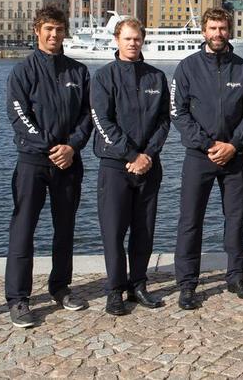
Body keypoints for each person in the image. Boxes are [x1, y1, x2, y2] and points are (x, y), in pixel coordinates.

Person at [3, 6, 93, 327]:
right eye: (48, 30)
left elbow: (87, 116)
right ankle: (18, 298)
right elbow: (18, 115)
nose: (54, 35)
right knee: (23, 229)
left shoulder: (78, 72)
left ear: (65, 32)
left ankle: (61, 287)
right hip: (32, 161)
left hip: (69, 161)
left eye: (59, 30)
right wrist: (48, 147)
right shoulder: (23, 72)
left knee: (64, 228)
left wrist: (71, 147)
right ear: (37, 31)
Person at [171, 7, 243, 310]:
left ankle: (236, 276)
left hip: (235, 156)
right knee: (190, 221)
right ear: (204, 31)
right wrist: (208, 144)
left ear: (229, 30)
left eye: (222, 28)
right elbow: (178, 113)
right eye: (212, 28)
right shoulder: (187, 67)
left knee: (235, 220)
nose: (217, 34)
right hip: (199, 156)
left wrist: (233, 145)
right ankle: (187, 283)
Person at [90, 18, 170, 316]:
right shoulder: (104, 77)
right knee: (113, 231)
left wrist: (147, 154)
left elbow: (164, 121)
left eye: (137, 39)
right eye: (128, 39)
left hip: (149, 165)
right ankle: (114, 290)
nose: (133, 43)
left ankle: (138, 284)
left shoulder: (156, 78)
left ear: (143, 40)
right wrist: (130, 154)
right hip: (115, 165)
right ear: (117, 40)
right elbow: (102, 120)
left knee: (144, 230)